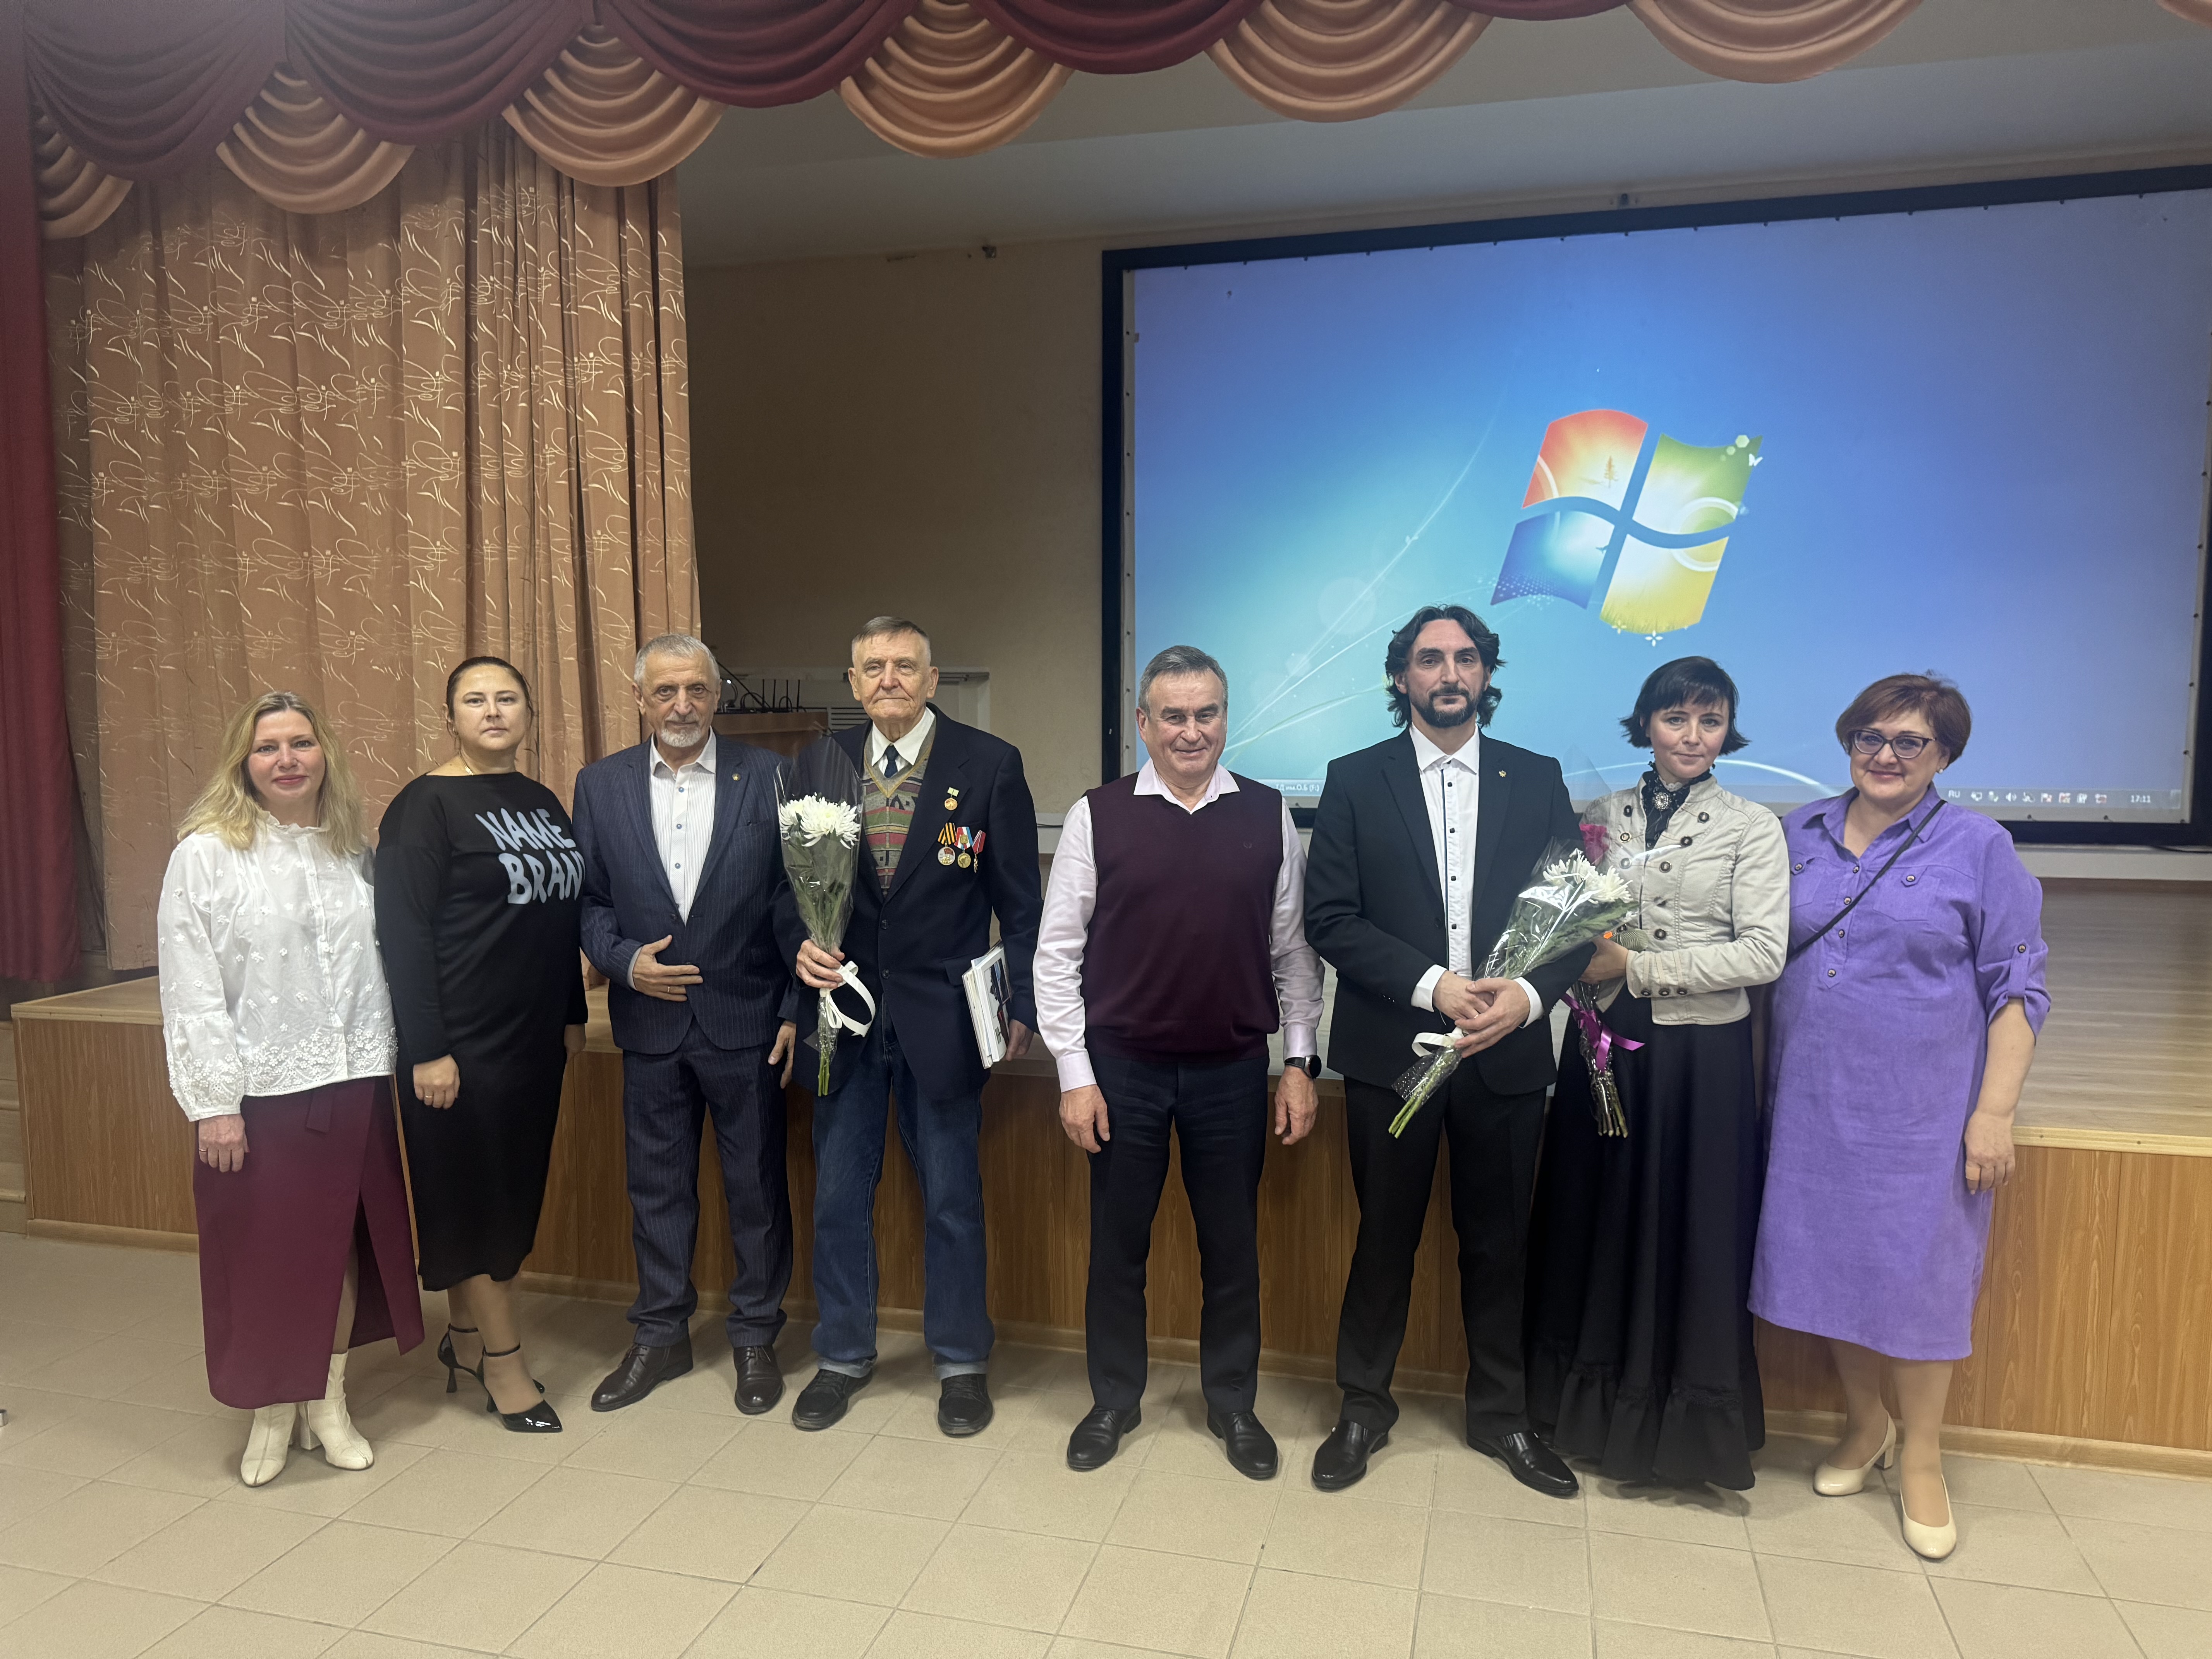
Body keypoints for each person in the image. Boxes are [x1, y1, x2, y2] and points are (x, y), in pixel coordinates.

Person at [1751, 674, 2045, 1560]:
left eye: (1909, 741)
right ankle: (1866, 1423)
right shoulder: (1797, 833)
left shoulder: (1980, 846)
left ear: (1943, 755)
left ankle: (1923, 1456)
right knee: (1836, 1270)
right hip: (1811, 1103)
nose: (1885, 755)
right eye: (1868, 737)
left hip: (1923, 1112)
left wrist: (1995, 1112)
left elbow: (2018, 989)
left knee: (1918, 1283)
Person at [1303, 604, 1590, 1498]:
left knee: (1498, 1246)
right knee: (1383, 1240)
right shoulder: (1355, 779)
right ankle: (1363, 1409)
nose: (1449, 673)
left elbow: (1576, 915)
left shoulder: (1536, 778)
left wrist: (1528, 1000)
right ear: (1403, 678)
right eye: (1430, 659)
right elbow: (1330, 919)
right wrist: (1436, 986)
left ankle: (1502, 1418)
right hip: (1393, 1053)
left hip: (1506, 1055)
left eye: (1466, 658)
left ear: (1486, 673)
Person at [1034, 645, 1322, 1479]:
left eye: (1207, 714)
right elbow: (1057, 955)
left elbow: (1294, 954)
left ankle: (1232, 1403)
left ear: (1226, 718)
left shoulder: (1267, 812)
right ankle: (1114, 1400)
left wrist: (1299, 1062)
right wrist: (1075, 1076)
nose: (1191, 732)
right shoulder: (1098, 815)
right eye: (1173, 716)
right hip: (1122, 1072)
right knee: (1117, 1247)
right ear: (1144, 723)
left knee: (1231, 1248)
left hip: (1232, 1072)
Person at [1522, 656, 1789, 1490]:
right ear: (1646, 724)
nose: (1692, 736)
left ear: (1728, 733)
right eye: (1676, 719)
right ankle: (1581, 1413)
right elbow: (1559, 923)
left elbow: (1764, 953)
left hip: (1699, 1062)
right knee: (1595, 1219)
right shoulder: (1599, 818)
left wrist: (1635, 969)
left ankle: (1680, 1432)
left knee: (1688, 1229)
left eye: (1711, 721)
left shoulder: (1753, 827)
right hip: (1603, 1048)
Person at [156, 690, 422, 1486]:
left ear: (324, 755)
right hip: (260, 1095)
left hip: (355, 1081)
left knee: (340, 1252)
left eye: (301, 743)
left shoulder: (353, 853)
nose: (286, 760)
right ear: (244, 763)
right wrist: (214, 1105)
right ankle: (274, 1410)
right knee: (267, 1257)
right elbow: (191, 989)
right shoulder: (206, 855)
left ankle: (327, 1402)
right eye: (268, 747)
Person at [786, 617, 1043, 1435]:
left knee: (952, 1199)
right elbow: (781, 891)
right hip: (843, 1015)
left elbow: (1021, 904)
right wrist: (797, 950)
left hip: (946, 1015)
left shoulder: (989, 763)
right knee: (838, 1196)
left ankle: (962, 1362)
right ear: (853, 682)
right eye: (873, 667)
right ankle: (842, 1355)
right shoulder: (816, 764)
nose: (889, 679)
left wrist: (1025, 1003)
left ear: (933, 680)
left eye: (905, 665)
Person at [574, 634, 803, 1415]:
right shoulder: (600, 784)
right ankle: (662, 1335)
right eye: (666, 691)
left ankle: (755, 1336)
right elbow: (590, 901)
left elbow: (798, 900)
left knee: (756, 1190)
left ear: (716, 696)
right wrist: (623, 962)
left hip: (747, 1022)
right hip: (649, 1021)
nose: (682, 705)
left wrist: (794, 1006)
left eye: (697, 690)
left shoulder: (770, 776)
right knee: (657, 1189)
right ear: (640, 698)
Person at [375, 657, 586, 1434]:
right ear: (451, 716)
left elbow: (558, 919)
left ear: (529, 713)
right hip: (460, 1044)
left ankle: (464, 1339)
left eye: (507, 698)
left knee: (508, 1193)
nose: (493, 711)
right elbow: (403, 937)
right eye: (475, 700)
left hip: (533, 1038)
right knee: (479, 1200)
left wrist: (571, 1011)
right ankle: (505, 1365)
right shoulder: (423, 807)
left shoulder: (541, 800)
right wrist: (428, 1048)